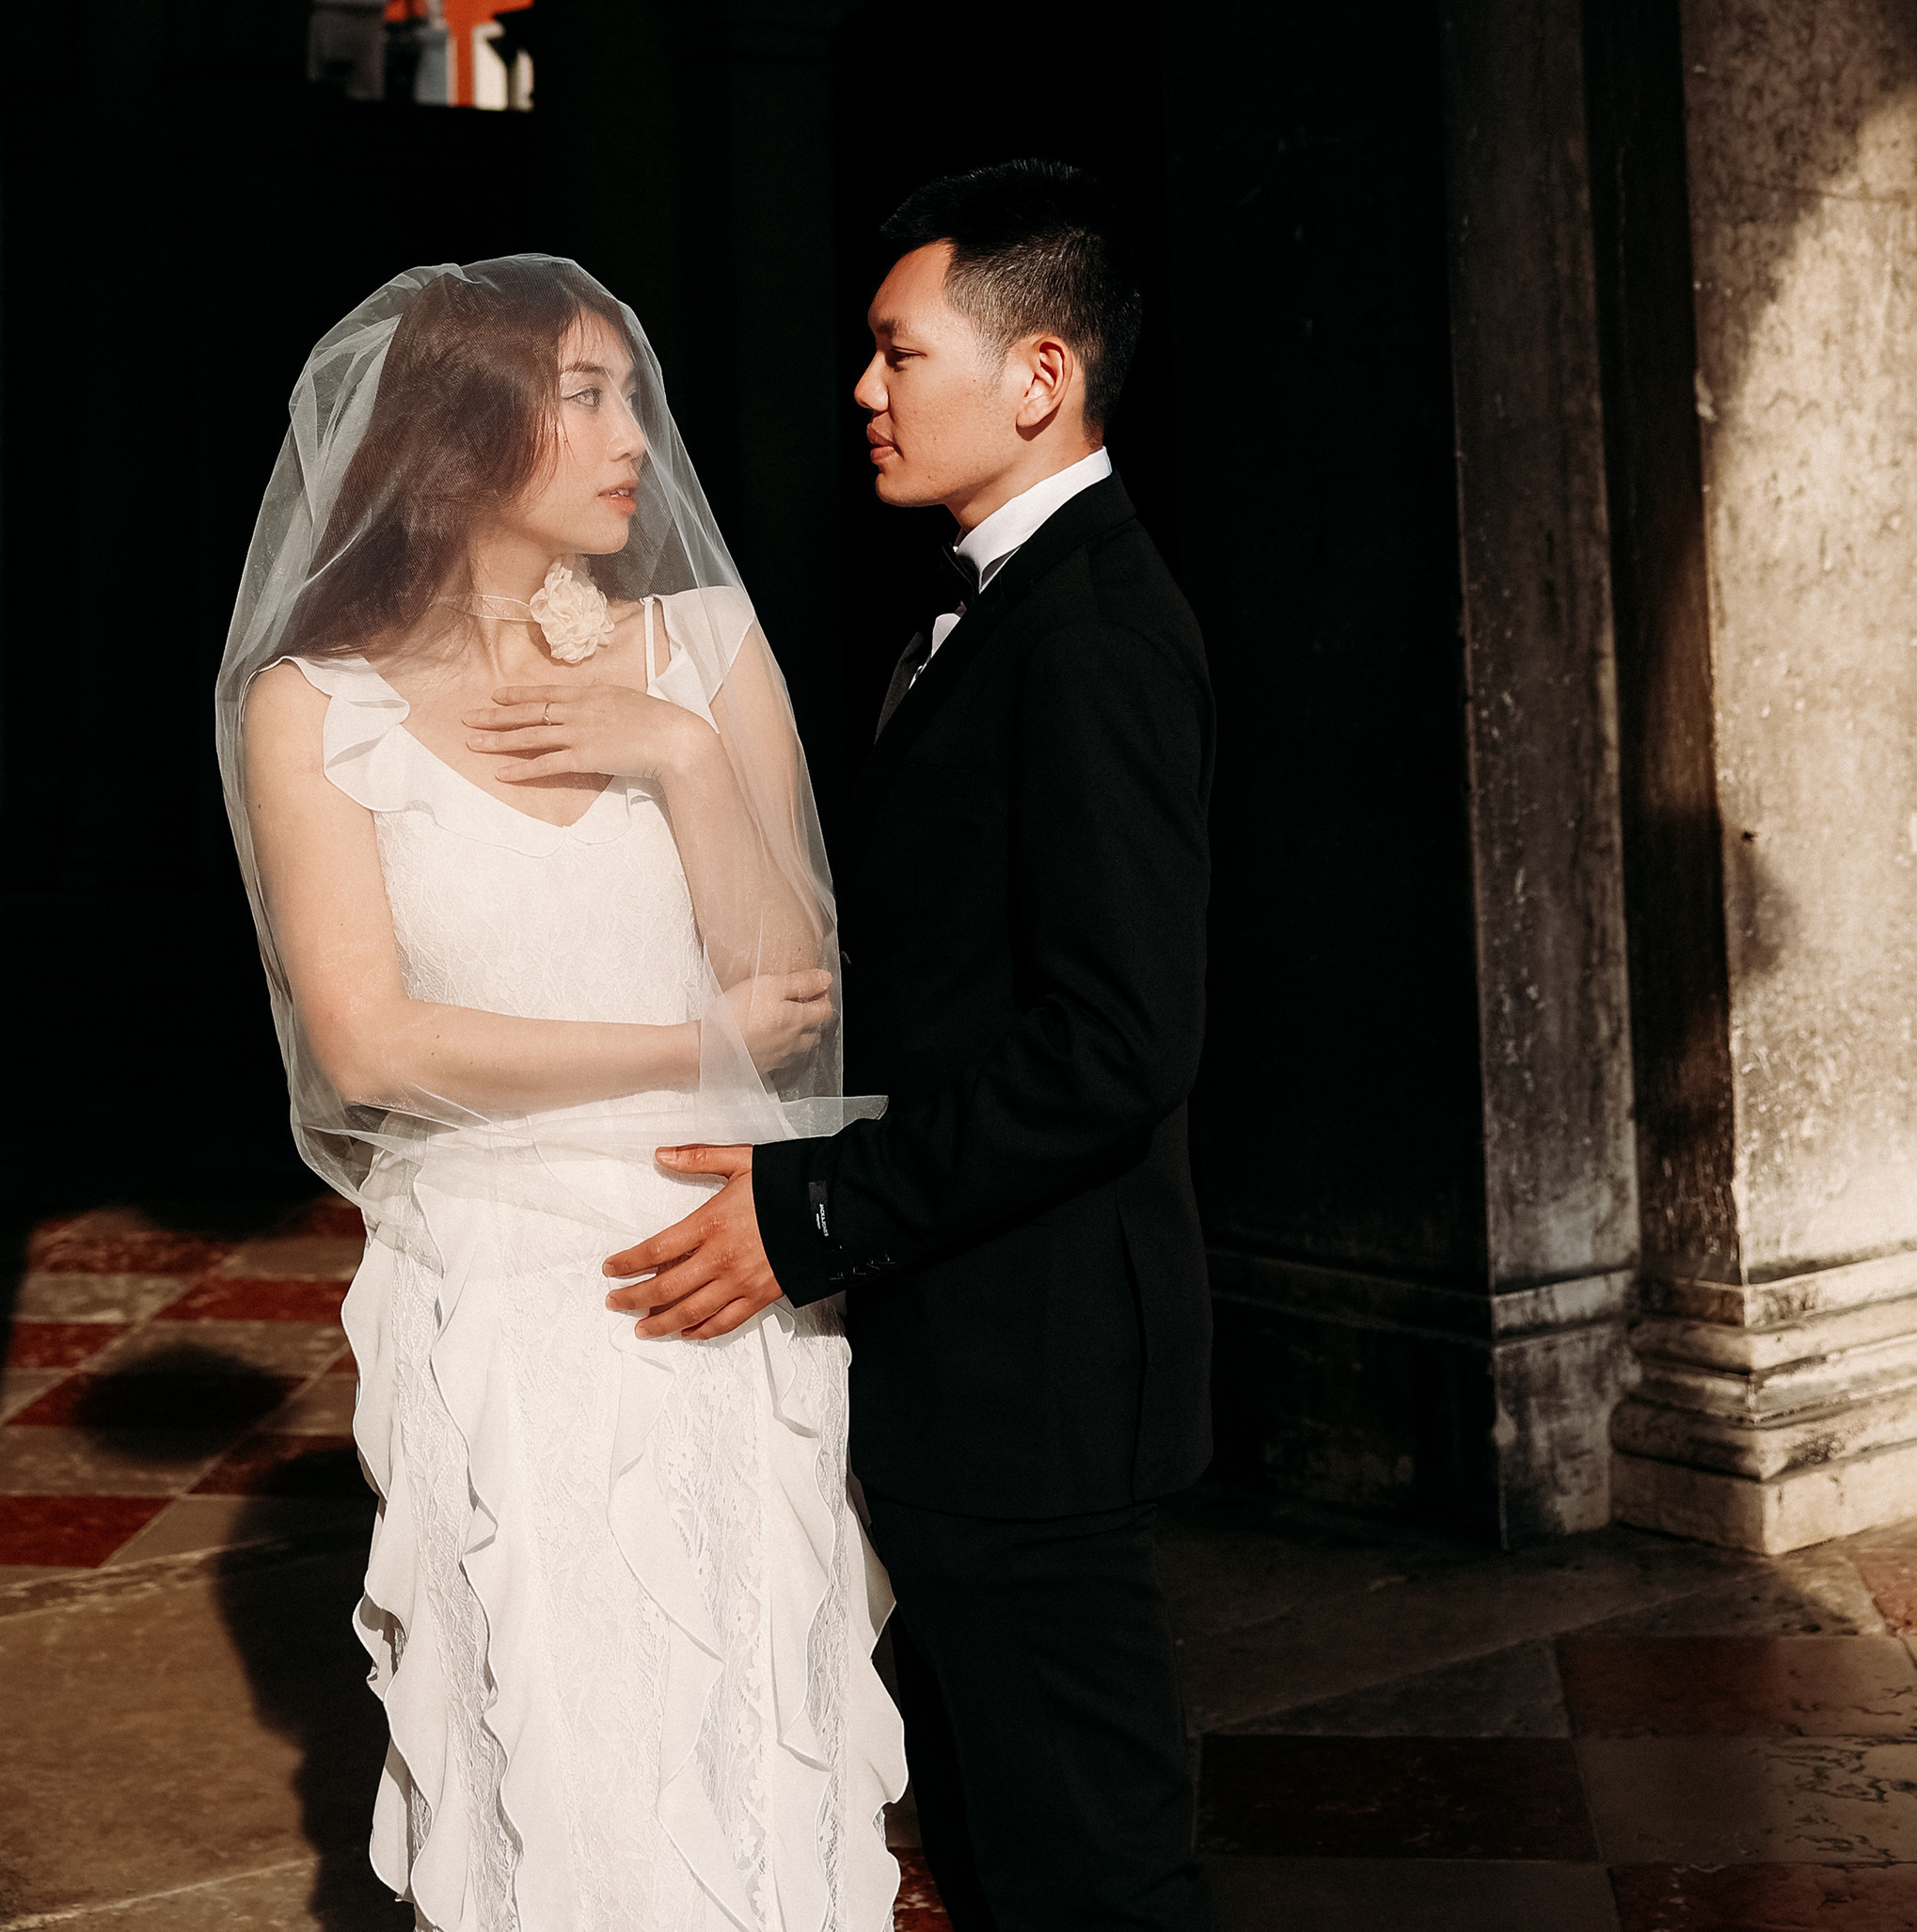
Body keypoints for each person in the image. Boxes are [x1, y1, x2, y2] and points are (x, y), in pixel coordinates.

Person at [215, 255, 904, 1932]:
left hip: (724, 1260)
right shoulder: (315, 708)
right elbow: (372, 1046)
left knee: (755, 1714)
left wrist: (670, 750)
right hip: (506, 1284)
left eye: (628, 389)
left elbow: (793, 976)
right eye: (579, 395)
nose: (631, 436)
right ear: (456, 436)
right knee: (563, 1733)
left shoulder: (705, 643)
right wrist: (682, 1048)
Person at [605, 161, 1215, 1930]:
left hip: (1039, 1369)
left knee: (1094, 1869)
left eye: (899, 354)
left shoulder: (1091, 632)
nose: (863, 393)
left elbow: (1114, 1044)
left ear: (1039, 377)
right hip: (966, 1346)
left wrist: (808, 1220)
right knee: (1001, 1849)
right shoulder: (987, 606)